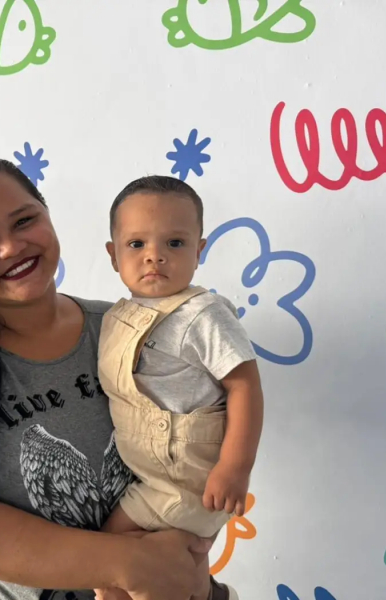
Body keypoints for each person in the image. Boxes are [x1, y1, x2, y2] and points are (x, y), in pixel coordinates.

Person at [0, 158, 237, 600]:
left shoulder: (127, 328)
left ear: (48, 215)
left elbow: (193, 445)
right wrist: (130, 565)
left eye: (24, 220)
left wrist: (180, 546)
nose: (12, 247)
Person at [97, 176, 264, 600]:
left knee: (110, 558)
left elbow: (244, 385)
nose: (154, 256)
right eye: (137, 245)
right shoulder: (116, 315)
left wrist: (235, 467)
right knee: (155, 572)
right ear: (113, 255)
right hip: (152, 473)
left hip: (188, 480)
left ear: (199, 250)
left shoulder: (203, 314)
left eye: (174, 243)